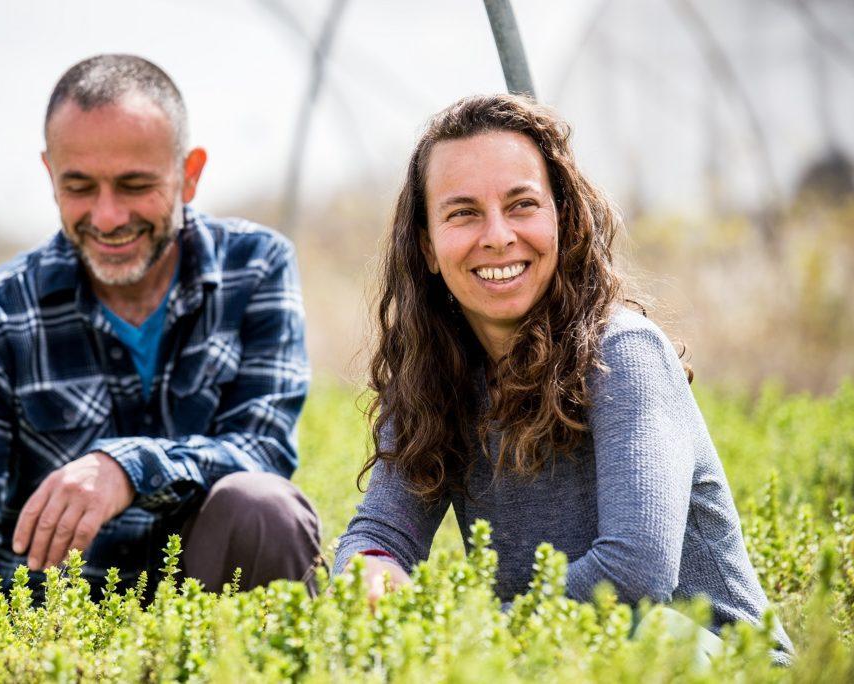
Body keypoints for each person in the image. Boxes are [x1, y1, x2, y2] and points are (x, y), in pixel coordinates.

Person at [332, 93, 792, 657]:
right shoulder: (436, 377)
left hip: (708, 657)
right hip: (552, 655)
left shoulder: (623, 356)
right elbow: (380, 532)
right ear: (427, 247)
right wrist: (370, 571)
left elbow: (635, 574)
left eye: (522, 204)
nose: (498, 235)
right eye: (463, 212)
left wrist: (463, 636)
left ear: (562, 219)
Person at [0, 54, 320, 620]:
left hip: (204, 618)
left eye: (134, 184)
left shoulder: (257, 268)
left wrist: (128, 468)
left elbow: (262, 450)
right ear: (50, 176)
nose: (108, 215)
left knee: (263, 505)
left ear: (189, 174)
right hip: (53, 638)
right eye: (79, 187)